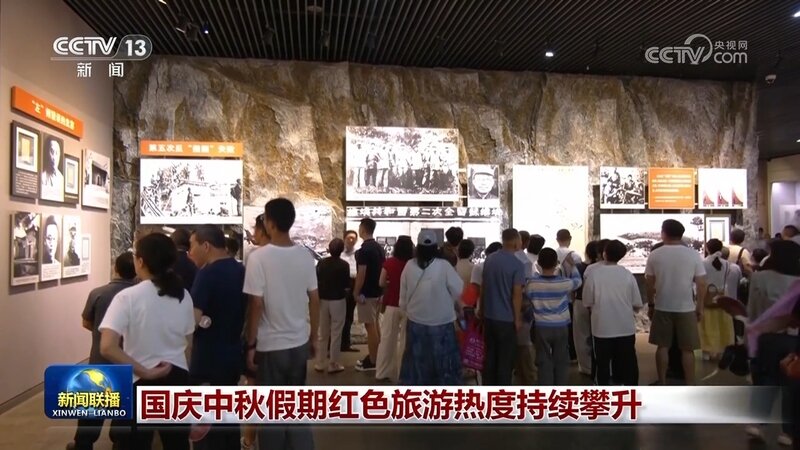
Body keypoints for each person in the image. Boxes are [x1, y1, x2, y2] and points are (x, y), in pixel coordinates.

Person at [99, 233, 195, 449]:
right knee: (177, 444)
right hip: (177, 377)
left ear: (140, 261)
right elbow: (188, 343)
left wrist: (146, 372)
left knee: (133, 443)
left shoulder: (128, 297)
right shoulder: (183, 295)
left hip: (139, 380)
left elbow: (107, 346)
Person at [243, 198, 319, 450]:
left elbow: (256, 304)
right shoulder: (305, 256)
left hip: (271, 346)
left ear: (271, 223)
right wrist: (313, 337)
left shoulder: (258, 258)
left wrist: (251, 344)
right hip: (298, 342)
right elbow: (314, 299)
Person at [67, 253, 137, 450]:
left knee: (92, 407)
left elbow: (86, 322)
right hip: (129, 360)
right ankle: (120, 443)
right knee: (124, 406)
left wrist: (104, 334)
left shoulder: (98, 293)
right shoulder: (139, 296)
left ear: (116, 268)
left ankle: (83, 444)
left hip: (100, 359)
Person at [187, 225, 246, 450]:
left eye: (192, 246)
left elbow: (193, 319)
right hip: (232, 355)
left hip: (207, 359)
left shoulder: (207, 274)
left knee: (207, 427)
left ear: (206, 245)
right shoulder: (240, 270)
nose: (190, 252)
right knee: (229, 418)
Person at [745, 240, 800, 446]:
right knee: (791, 386)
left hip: (765, 337)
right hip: (794, 338)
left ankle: (757, 424)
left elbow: (752, 309)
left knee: (765, 380)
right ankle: (788, 432)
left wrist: (749, 336)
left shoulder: (759, 277)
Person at [645, 219, 707, 386]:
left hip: (662, 306)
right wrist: (700, 306)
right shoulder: (693, 254)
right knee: (687, 349)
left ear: (664, 233)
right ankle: (690, 384)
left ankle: (663, 382)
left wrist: (651, 304)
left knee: (662, 347)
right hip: (686, 307)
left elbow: (649, 283)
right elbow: (701, 283)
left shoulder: (655, 254)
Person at [399, 230, 464, 384]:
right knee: (444, 364)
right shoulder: (444, 266)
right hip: (442, 323)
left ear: (418, 247)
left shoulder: (409, 266)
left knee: (417, 363)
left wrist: (407, 310)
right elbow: (459, 290)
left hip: (416, 322)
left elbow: (403, 297)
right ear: (436, 247)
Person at [583, 240, 642, 386]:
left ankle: (602, 394)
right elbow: (636, 304)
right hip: (625, 327)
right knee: (628, 363)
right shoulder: (627, 275)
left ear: (604, 253)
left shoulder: (594, 275)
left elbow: (587, 302)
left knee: (602, 364)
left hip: (602, 328)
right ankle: (630, 393)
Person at [527, 248, 582, 385]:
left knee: (543, 359)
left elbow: (527, 298)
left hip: (541, 326)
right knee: (561, 360)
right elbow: (578, 281)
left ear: (539, 263)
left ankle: (546, 388)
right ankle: (560, 388)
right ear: (556, 263)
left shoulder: (532, 284)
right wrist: (572, 266)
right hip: (561, 326)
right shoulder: (563, 283)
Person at [480, 229, 525, 385]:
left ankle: (487, 390)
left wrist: (481, 309)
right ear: (515, 241)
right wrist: (517, 319)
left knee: (490, 357)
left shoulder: (490, 260)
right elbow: (517, 295)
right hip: (506, 319)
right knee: (505, 360)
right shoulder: (517, 264)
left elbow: (484, 287)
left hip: (489, 316)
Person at [376, 236, 415, 382]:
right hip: (409, 307)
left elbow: (381, 283)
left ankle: (382, 372)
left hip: (391, 304)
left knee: (387, 339)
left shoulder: (389, 263)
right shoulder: (413, 264)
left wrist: (390, 284)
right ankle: (402, 374)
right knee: (405, 341)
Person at [699, 239, 742, 361]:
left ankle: (706, 351)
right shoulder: (727, 264)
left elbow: (701, 282)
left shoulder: (703, 263)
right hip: (722, 296)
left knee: (707, 325)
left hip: (707, 296)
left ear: (707, 248)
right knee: (722, 325)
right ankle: (721, 350)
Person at [314, 238, 351, 374]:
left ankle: (320, 363)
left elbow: (316, 280)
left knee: (322, 333)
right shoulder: (344, 265)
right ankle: (333, 364)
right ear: (341, 250)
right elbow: (346, 286)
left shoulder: (321, 263)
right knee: (336, 333)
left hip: (323, 299)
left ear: (329, 249)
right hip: (338, 300)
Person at [354, 218, 386, 372]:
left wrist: (356, 291)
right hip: (378, 292)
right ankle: (377, 356)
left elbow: (361, 274)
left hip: (367, 294)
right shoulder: (379, 248)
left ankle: (373, 361)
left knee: (370, 326)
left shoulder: (364, 250)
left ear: (362, 229)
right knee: (375, 325)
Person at [573, 241, 601, 376]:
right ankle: (601, 365)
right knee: (599, 335)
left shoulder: (579, 267)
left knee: (581, 336)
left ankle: (586, 367)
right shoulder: (601, 268)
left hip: (580, 302)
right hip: (599, 303)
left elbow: (574, 286)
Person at [340, 230, 360, 353]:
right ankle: (334, 344)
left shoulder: (358, 254)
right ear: (344, 239)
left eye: (353, 238)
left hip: (353, 285)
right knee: (337, 317)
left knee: (349, 316)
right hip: (341, 286)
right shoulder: (339, 254)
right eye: (349, 238)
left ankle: (345, 343)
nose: (351, 240)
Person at [41, 136, 64, 201]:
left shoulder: (61, 179)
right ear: (47, 153)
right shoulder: (42, 177)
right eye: (52, 152)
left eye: (57, 153)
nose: (54, 157)